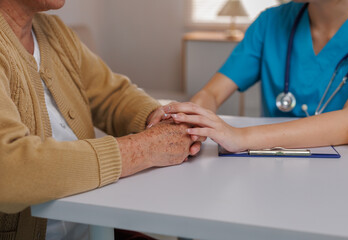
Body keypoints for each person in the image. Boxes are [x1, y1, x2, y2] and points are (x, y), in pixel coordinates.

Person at [0, 0, 203, 239]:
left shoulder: (53, 31)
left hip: (94, 226)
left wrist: (163, 119)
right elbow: (10, 168)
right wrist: (142, 149)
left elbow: (113, 95)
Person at [156, 0, 348, 153]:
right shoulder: (271, 22)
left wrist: (241, 137)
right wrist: (191, 123)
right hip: (271, 166)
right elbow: (212, 93)